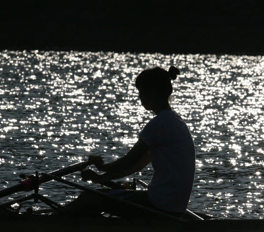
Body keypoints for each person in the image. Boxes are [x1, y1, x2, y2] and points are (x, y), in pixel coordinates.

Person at [68, 66, 195, 217]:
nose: (139, 97)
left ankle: (53, 226)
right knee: (97, 197)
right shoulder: (175, 121)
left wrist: (102, 167)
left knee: (88, 197)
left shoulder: (159, 123)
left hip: (158, 203)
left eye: (141, 92)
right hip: (173, 205)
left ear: (152, 92)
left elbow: (129, 160)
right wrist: (100, 178)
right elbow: (136, 166)